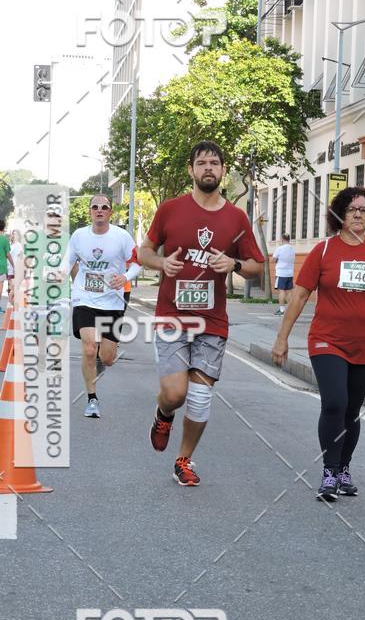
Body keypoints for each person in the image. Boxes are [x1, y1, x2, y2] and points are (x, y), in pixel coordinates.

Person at [272, 186, 365, 502]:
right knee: (335, 402)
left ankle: (344, 469)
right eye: (351, 209)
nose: (358, 214)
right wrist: (282, 338)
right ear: (340, 215)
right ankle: (329, 471)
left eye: (363, 209)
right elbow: (299, 296)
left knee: (351, 411)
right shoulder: (323, 251)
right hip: (327, 341)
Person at [138, 140, 264, 487]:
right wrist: (162, 263)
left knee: (200, 396)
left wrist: (234, 263)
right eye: (202, 162)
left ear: (223, 170)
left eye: (215, 163)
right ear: (191, 170)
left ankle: (184, 460)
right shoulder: (170, 209)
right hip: (172, 316)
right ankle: (164, 413)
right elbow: (144, 251)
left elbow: (256, 266)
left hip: (212, 321)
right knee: (175, 393)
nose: (209, 168)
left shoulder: (236, 218)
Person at [66, 195, 141, 418]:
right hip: (84, 299)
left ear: (110, 212)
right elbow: (67, 262)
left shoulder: (122, 237)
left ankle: (100, 358)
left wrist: (125, 277)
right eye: (95, 207)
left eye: (104, 207)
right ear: (90, 211)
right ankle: (92, 400)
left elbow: (137, 262)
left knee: (107, 358)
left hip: (112, 302)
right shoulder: (79, 236)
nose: (99, 210)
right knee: (89, 348)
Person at [273, 234, 295, 315]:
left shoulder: (279, 249)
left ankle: (282, 310)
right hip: (290, 273)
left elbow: (274, 259)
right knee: (289, 292)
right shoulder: (292, 249)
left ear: (282, 239)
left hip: (281, 273)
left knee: (281, 291)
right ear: (289, 239)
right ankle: (290, 310)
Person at [0, 220, 15, 312]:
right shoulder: (5, 240)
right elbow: (8, 255)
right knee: (0, 287)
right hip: (1, 267)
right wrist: (13, 265)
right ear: (3, 228)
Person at [6, 229, 22, 307]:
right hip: (9, 269)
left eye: (15, 234)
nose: (14, 235)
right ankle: (12, 304)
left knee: (14, 288)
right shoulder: (10, 244)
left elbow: (20, 257)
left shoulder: (19, 245)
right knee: (10, 288)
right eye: (13, 233)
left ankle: (12, 304)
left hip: (16, 269)